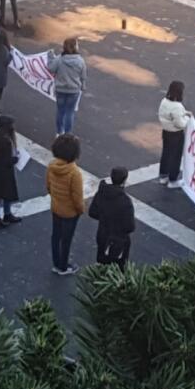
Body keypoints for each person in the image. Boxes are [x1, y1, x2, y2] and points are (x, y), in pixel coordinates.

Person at [47, 134, 84, 275]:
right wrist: (80, 210)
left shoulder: (51, 166)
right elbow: (77, 197)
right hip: (70, 212)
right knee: (66, 240)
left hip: (56, 207)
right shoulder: (75, 173)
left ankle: (56, 263)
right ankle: (63, 266)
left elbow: (48, 186)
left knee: (55, 236)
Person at [88, 167, 135, 269]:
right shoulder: (125, 201)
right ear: (124, 181)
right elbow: (130, 226)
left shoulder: (101, 193)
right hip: (119, 239)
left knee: (102, 262)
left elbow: (92, 212)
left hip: (103, 234)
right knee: (117, 267)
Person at [47, 37, 87, 135]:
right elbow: (83, 75)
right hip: (73, 91)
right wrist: (83, 86)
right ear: (75, 47)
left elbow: (51, 69)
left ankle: (59, 132)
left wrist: (50, 57)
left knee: (60, 111)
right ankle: (68, 134)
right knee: (70, 112)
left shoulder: (59, 59)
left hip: (60, 90)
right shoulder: (80, 61)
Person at [157, 80, 191, 188]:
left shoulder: (164, 101)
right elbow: (180, 123)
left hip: (166, 132)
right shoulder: (177, 106)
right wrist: (186, 118)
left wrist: (184, 113)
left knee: (166, 154)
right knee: (175, 157)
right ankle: (173, 179)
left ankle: (163, 176)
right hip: (176, 134)